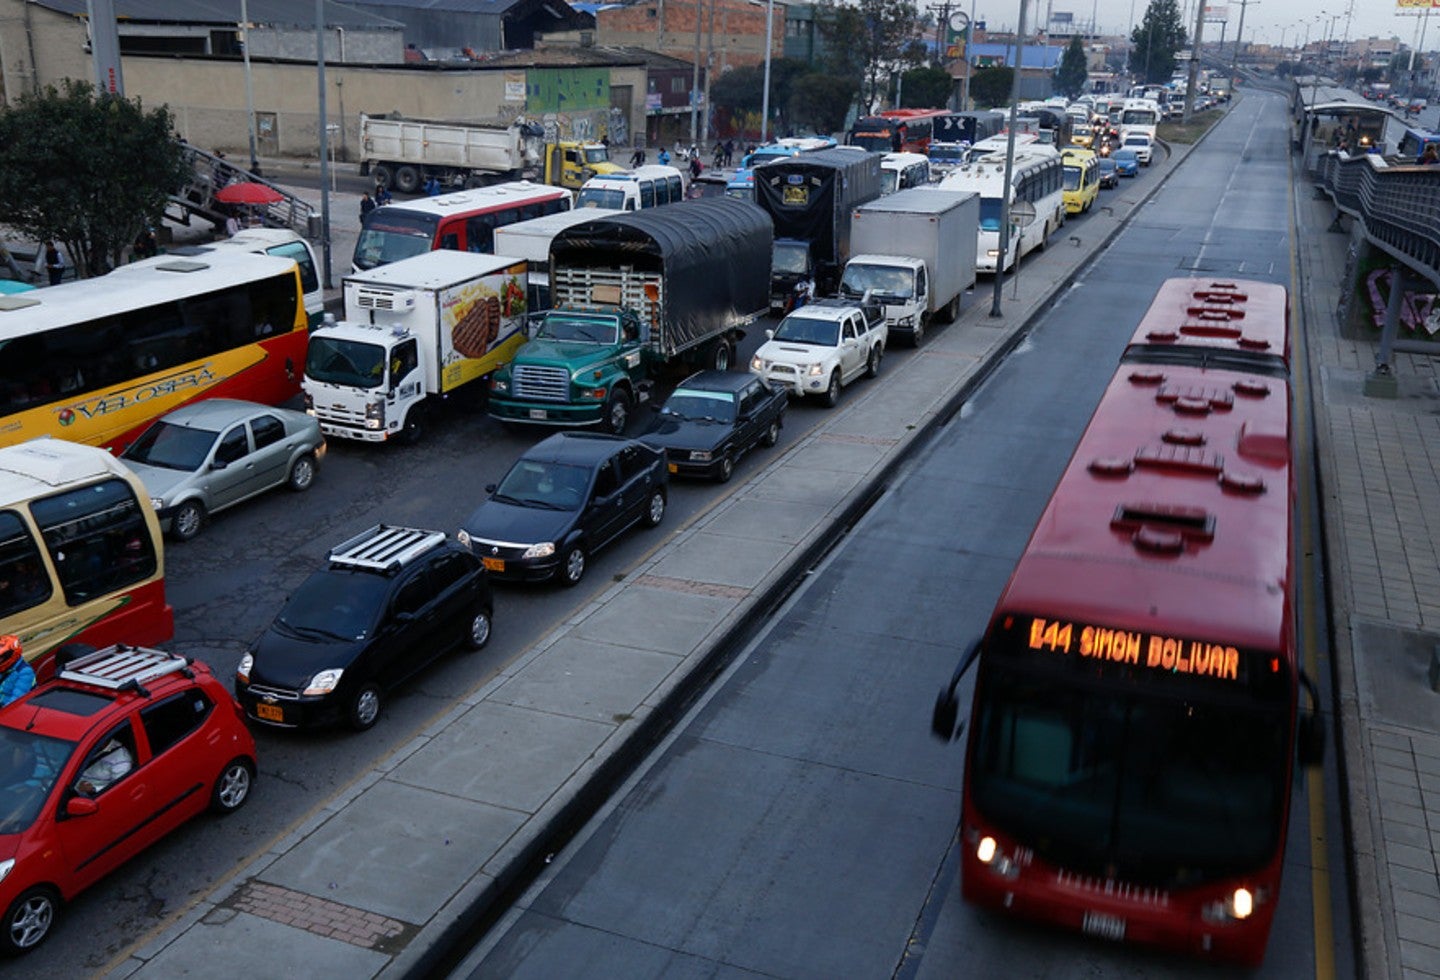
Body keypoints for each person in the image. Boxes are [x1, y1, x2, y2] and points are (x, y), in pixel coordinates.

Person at [0, 635, 35, 708]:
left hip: (9, 711)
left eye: (1, 658)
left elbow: (15, 702)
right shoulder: (3, 668)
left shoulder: (25, 673)